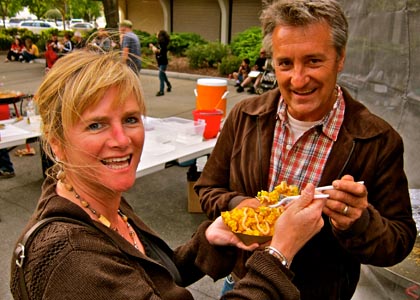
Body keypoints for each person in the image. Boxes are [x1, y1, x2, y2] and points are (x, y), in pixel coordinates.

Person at [10, 50, 326, 300]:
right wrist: (277, 255)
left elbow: (149, 279)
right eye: (96, 124)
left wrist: (209, 239)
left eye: (131, 119)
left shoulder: (97, 201)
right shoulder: (72, 260)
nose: (122, 140)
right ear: (57, 142)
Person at [194, 0, 417, 299]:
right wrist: (240, 205)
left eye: (313, 61)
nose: (297, 80)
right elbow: (208, 187)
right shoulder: (246, 116)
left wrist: (358, 222)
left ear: (340, 58)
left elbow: (399, 240)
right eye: (285, 63)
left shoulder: (378, 140)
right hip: (244, 284)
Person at [149, 30, 172, 96]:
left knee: (160, 75)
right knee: (163, 75)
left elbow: (158, 51)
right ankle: (169, 85)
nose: (156, 33)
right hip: (160, 61)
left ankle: (161, 91)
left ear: (160, 35)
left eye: (157, 33)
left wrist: (152, 47)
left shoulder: (163, 44)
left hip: (163, 62)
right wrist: (153, 47)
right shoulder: (159, 43)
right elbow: (155, 51)